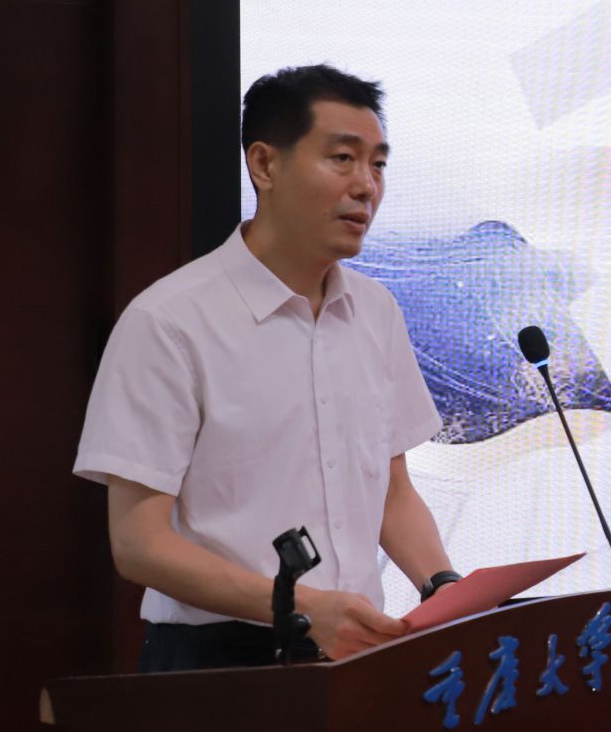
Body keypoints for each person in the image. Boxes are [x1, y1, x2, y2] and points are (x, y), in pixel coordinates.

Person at [75, 62, 458, 665]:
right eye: (342, 158)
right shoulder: (170, 320)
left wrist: (444, 587)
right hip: (220, 660)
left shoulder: (376, 311)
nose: (366, 185)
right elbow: (138, 543)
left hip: (355, 650)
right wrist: (300, 609)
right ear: (264, 165)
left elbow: (392, 492)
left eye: (378, 164)